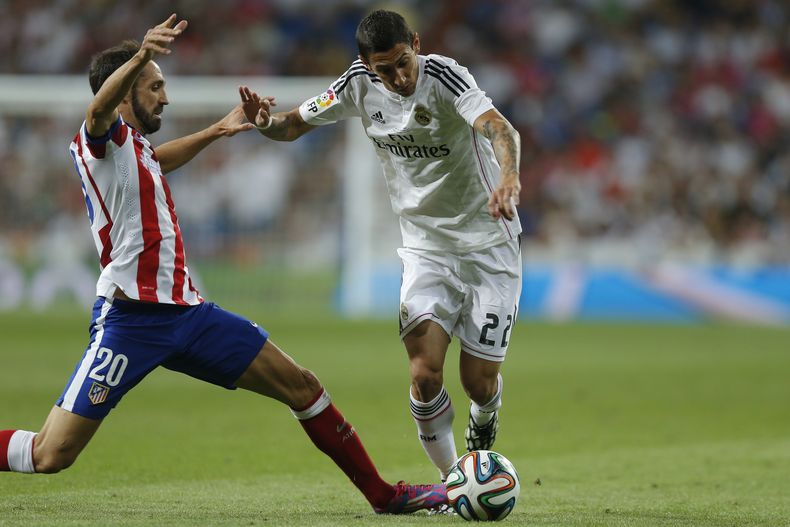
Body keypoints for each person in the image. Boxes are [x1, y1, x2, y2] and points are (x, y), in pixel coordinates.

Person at [0, 14, 447, 515]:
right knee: (50, 453)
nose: (165, 97)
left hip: (188, 317)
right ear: (125, 91)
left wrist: (218, 130)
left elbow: (159, 158)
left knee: (303, 386)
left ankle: (384, 495)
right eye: (154, 86)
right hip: (128, 322)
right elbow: (99, 106)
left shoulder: (136, 149)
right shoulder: (97, 139)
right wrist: (142, 54)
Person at [239, 9, 522, 483]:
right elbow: (290, 125)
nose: (397, 77)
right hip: (425, 247)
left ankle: (486, 412)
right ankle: (454, 481)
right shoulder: (356, 84)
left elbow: (499, 128)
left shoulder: (446, 77)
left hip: (489, 242)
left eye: (403, 62)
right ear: (365, 64)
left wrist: (509, 177)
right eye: (384, 70)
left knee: (478, 381)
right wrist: (265, 123)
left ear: (415, 43)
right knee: (424, 373)